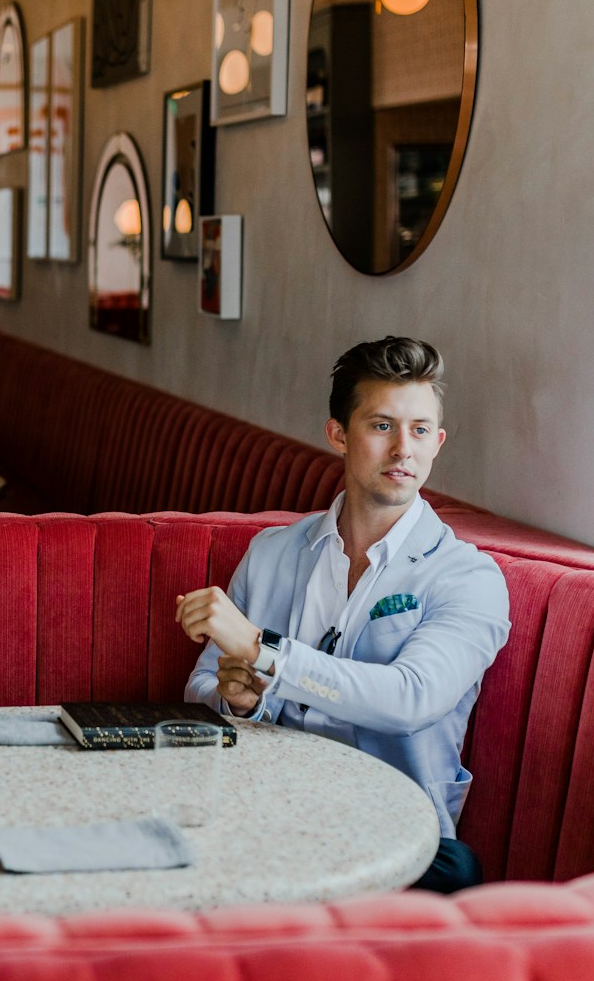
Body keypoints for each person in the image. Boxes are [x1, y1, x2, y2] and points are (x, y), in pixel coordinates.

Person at [178, 336, 509, 893]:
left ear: (438, 442)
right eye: (382, 426)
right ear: (338, 434)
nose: (404, 448)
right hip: (263, 808)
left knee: (458, 870)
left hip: (394, 830)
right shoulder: (272, 552)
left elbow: (412, 699)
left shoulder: (468, 578)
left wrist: (265, 653)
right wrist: (239, 699)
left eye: (420, 430)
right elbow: (202, 683)